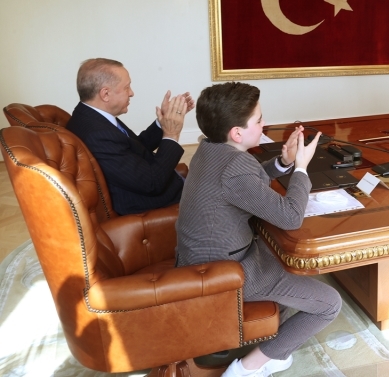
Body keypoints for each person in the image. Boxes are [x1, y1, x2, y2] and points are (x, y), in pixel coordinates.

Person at [175, 82, 341, 377]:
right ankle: (247, 367)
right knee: (329, 304)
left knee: (284, 264)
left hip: (201, 260)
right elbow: (291, 217)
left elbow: (246, 183)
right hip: (224, 273)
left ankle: (272, 341)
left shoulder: (210, 148)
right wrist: (301, 167)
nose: (265, 124)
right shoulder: (236, 167)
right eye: (259, 120)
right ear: (237, 133)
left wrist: (284, 162)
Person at [66, 58, 193, 215]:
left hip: (161, 185)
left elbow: (135, 147)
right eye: (127, 87)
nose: (131, 93)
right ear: (105, 94)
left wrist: (163, 122)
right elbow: (152, 183)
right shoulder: (98, 135)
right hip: (154, 202)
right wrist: (171, 134)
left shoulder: (91, 117)